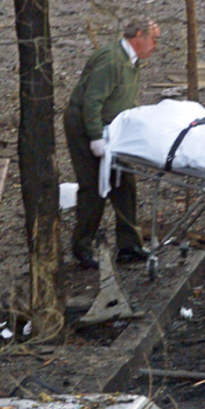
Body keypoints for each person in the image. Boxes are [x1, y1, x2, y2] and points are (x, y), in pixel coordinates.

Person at [63, 18, 161, 269]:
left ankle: (128, 245)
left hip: (113, 128)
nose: (156, 45)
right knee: (93, 187)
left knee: (124, 183)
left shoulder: (132, 61)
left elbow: (122, 98)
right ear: (138, 36)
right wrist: (95, 136)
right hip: (86, 126)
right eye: (154, 39)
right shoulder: (112, 61)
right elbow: (92, 101)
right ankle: (82, 247)